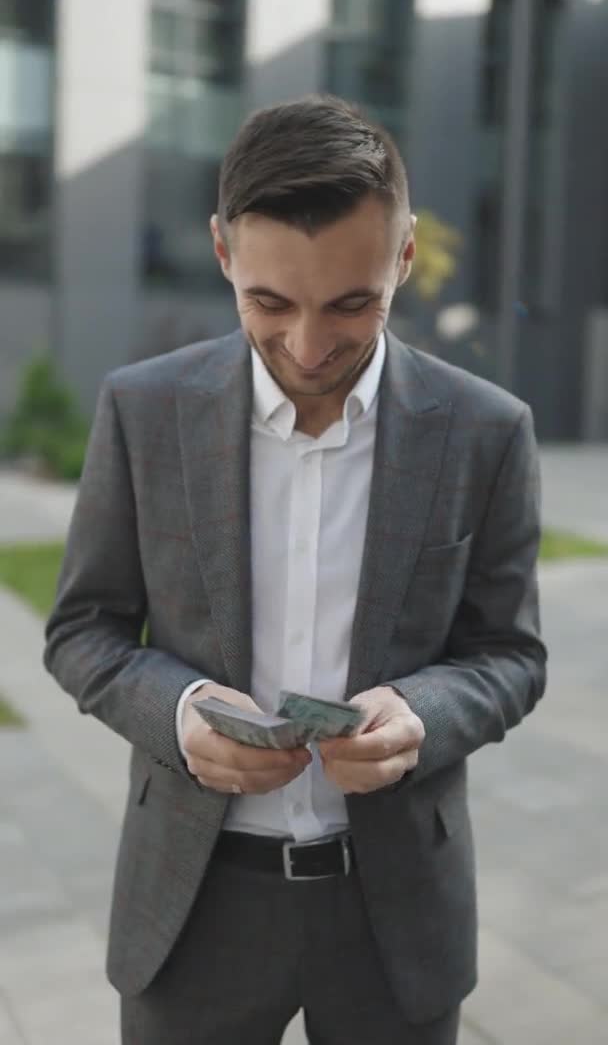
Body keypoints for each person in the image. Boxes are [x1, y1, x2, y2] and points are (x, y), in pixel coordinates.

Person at [44, 95, 547, 1045]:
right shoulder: (142, 412)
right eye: (269, 302)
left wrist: (424, 717)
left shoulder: (488, 430)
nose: (309, 346)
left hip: (396, 915)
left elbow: (509, 655)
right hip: (193, 909)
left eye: (352, 303)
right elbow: (83, 632)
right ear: (224, 252)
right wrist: (181, 711)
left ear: (403, 259)